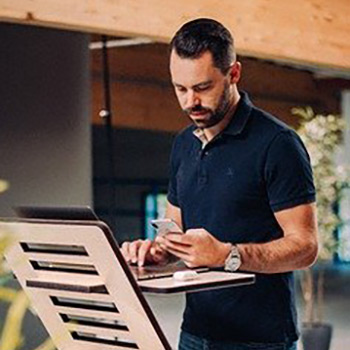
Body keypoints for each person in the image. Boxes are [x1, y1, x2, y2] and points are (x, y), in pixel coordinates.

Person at [121, 18, 318, 350]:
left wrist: (227, 255)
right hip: (195, 334)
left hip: (260, 341)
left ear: (234, 74)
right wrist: (157, 252)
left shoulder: (278, 144)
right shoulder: (183, 144)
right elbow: (176, 236)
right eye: (180, 89)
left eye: (202, 88)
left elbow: (305, 247)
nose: (189, 102)